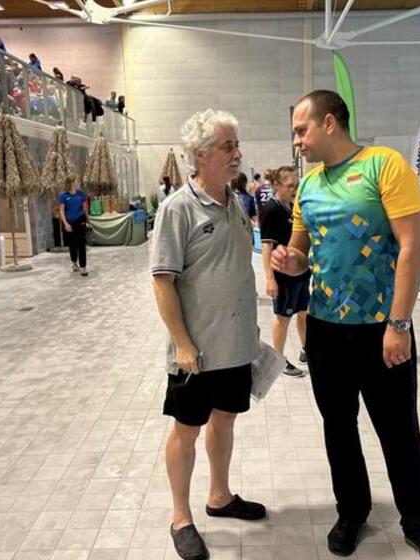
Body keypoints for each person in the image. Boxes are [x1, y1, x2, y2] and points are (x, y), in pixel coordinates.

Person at [272, 90, 420, 560]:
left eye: (301, 130)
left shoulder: (384, 165)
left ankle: (419, 524)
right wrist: (288, 262)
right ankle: (351, 512)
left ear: (330, 123)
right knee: (338, 428)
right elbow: (301, 255)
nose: (297, 141)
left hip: (381, 328)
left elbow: (412, 246)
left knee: (398, 430)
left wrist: (399, 323)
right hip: (325, 331)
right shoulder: (308, 186)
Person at [150, 109, 266, 560]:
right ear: (201, 155)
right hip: (195, 352)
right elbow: (163, 282)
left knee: (225, 419)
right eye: (228, 146)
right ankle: (181, 517)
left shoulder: (235, 202)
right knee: (186, 430)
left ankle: (219, 496)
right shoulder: (178, 208)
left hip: (235, 345)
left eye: (236, 145)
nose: (237, 153)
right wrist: (182, 343)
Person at [260, 165, 308, 377]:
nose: (294, 189)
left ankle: (306, 350)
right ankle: (278, 361)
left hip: (299, 273)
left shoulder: (292, 207)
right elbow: (266, 247)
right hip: (282, 275)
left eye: (297, 185)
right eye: (290, 186)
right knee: (283, 317)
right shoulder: (271, 210)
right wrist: (270, 278)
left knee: (304, 312)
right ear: (277, 185)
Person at [58, 174, 89, 276]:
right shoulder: (63, 195)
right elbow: (61, 211)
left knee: (82, 244)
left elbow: (85, 209)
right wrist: (66, 223)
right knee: (72, 245)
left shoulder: (82, 194)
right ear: (71, 183)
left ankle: (83, 267)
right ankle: (74, 262)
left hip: (80, 220)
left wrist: (89, 221)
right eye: (77, 181)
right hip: (69, 222)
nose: (79, 183)